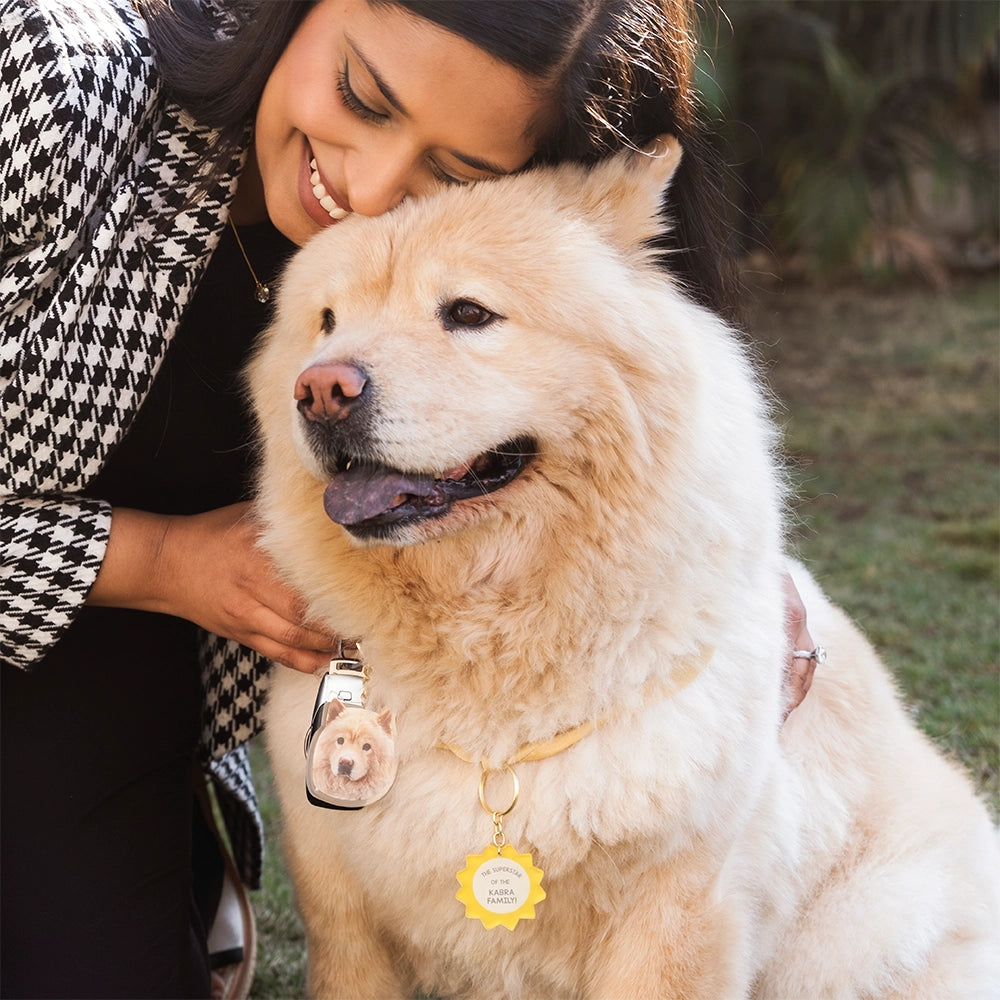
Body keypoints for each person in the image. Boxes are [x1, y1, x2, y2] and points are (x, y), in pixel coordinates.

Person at [0, 0, 817, 996]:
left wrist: (717, 571)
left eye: (456, 170)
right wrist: (158, 559)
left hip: (105, 675)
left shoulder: (473, 264)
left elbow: (608, 370)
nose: (371, 185)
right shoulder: (41, 78)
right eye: (360, 95)